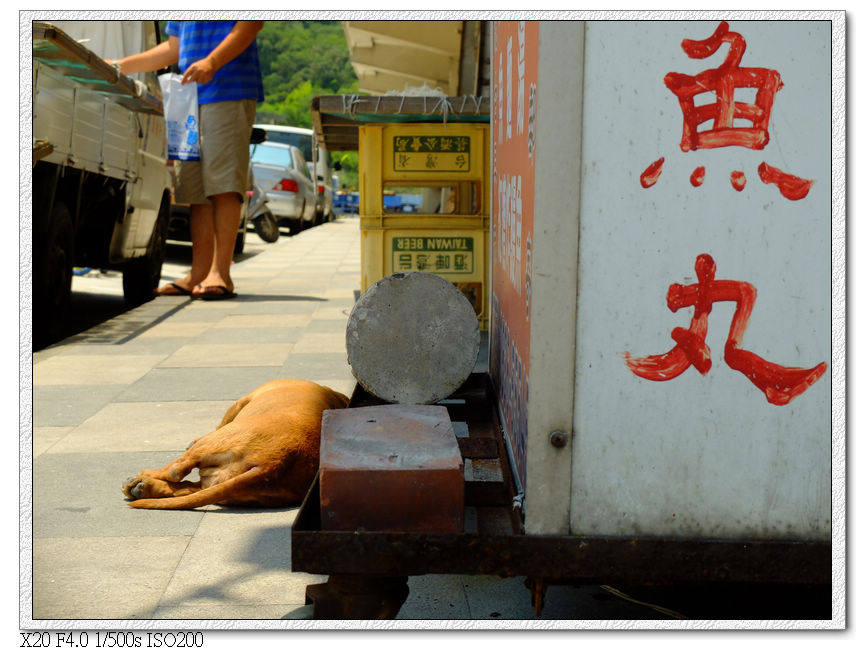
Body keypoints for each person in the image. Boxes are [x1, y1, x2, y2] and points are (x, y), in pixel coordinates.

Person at [112, 21, 264, 299]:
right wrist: (120, 65)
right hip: (187, 96)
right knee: (194, 188)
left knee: (223, 182)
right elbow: (174, 48)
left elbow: (251, 24)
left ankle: (221, 274)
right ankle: (200, 272)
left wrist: (212, 62)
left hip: (228, 90)